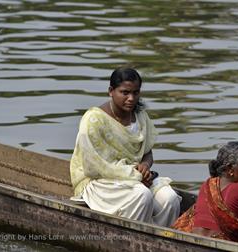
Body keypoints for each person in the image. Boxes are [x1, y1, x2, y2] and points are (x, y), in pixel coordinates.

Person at [70, 67, 181, 227]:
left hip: (136, 178)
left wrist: (145, 166)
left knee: (169, 198)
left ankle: (157, 242)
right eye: (125, 92)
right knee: (142, 195)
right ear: (111, 91)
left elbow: (147, 153)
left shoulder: (140, 116)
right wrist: (136, 176)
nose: (131, 98)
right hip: (99, 180)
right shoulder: (94, 119)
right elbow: (93, 166)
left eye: (135, 93)